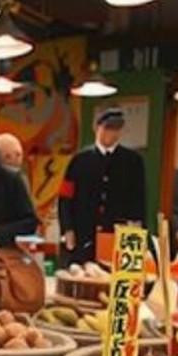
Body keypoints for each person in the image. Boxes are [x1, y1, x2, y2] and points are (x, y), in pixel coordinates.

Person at [58, 107, 146, 266]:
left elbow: (139, 200)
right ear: (97, 128)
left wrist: (137, 232)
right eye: (108, 128)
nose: (112, 133)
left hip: (118, 235)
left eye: (117, 129)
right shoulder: (79, 161)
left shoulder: (133, 162)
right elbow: (65, 198)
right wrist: (67, 228)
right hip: (84, 233)